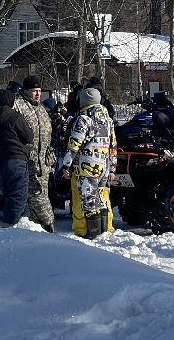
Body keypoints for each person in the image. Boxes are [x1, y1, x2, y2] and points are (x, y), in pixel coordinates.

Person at [61, 87, 117, 239]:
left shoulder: (83, 119)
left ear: (83, 101)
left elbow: (74, 144)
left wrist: (66, 165)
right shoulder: (108, 120)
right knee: (102, 199)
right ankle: (104, 232)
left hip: (87, 166)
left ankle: (92, 234)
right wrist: (112, 168)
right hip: (104, 166)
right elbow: (113, 147)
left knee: (89, 200)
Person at [0, 88, 33, 227]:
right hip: (16, 159)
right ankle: (9, 226)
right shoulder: (15, 116)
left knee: (10, 194)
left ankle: (24, 223)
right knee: (18, 195)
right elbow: (28, 136)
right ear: (11, 101)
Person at [12, 75, 56, 232]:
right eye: (34, 91)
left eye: (39, 90)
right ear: (25, 91)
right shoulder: (18, 106)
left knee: (39, 199)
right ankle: (50, 225)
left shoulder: (41, 109)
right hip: (27, 162)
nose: (38, 94)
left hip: (44, 164)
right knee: (38, 197)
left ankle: (38, 232)